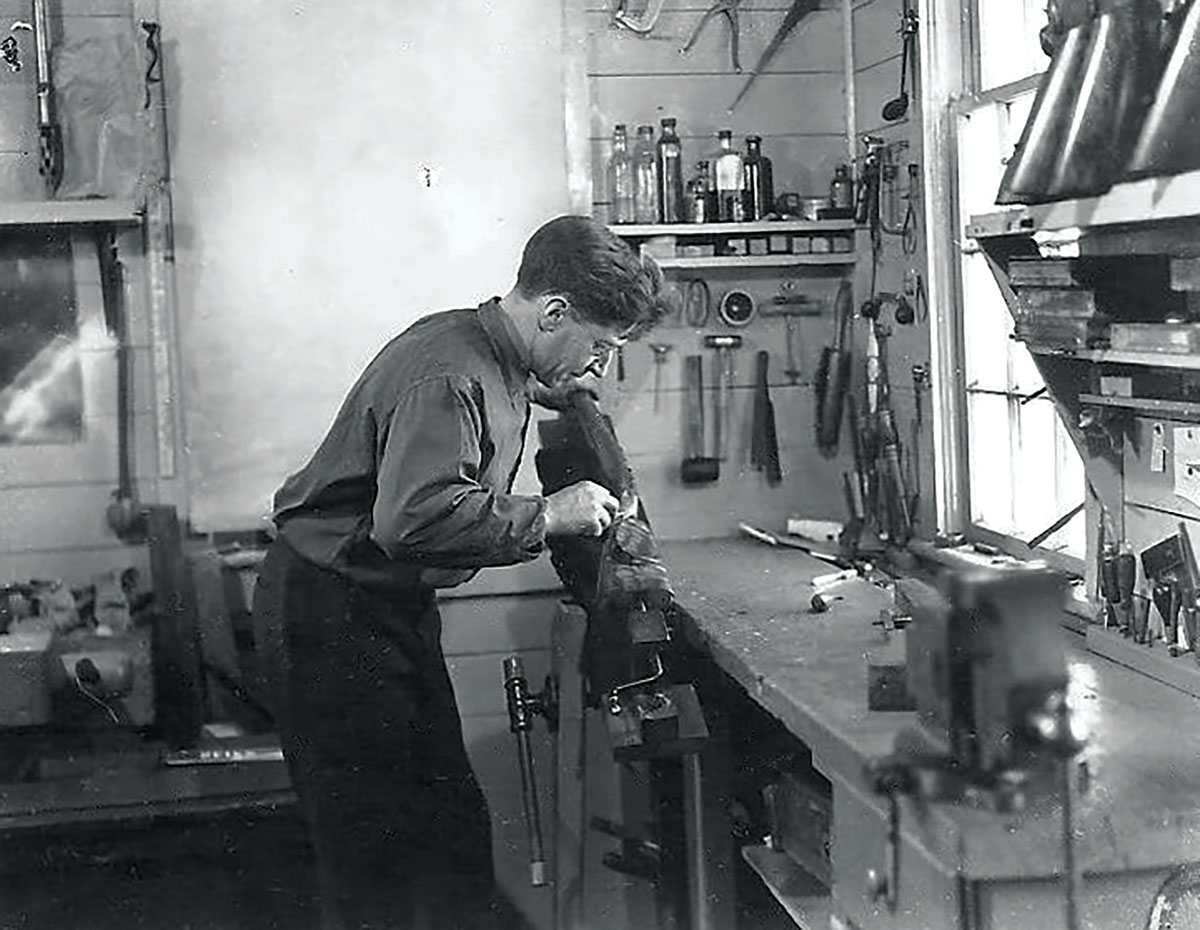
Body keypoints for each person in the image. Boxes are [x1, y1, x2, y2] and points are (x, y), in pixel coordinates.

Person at [251, 214, 668, 930]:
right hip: (333, 614)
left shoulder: (484, 351)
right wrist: (550, 514)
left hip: (378, 608)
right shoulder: (452, 373)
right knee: (377, 857)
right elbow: (414, 521)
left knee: (447, 833)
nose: (599, 369)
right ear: (553, 312)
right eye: (599, 348)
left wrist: (539, 387)